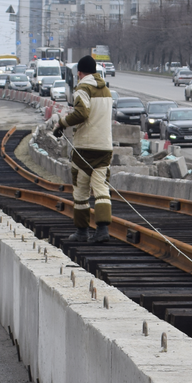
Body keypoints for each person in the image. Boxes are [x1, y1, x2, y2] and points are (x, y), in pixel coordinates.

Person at [52, 54, 114, 244]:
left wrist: (62, 122)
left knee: (81, 191)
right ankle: (102, 230)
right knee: (101, 188)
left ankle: (82, 232)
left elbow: (81, 113)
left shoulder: (82, 88)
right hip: (105, 147)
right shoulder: (106, 91)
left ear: (79, 73)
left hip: (85, 147)